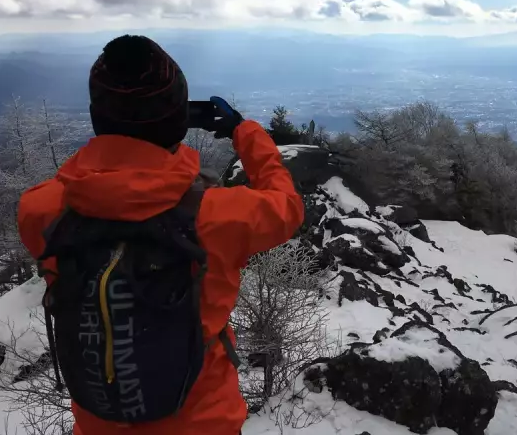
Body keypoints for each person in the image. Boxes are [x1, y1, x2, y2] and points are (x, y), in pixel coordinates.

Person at [17, 34, 304, 435]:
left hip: (97, 424)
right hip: (204, 423)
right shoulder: (216, 217)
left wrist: (111, 151)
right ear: (176, 121)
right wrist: (244, 131)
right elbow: (287, 205)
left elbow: (88, 186)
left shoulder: (41, 211)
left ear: (97, 116)